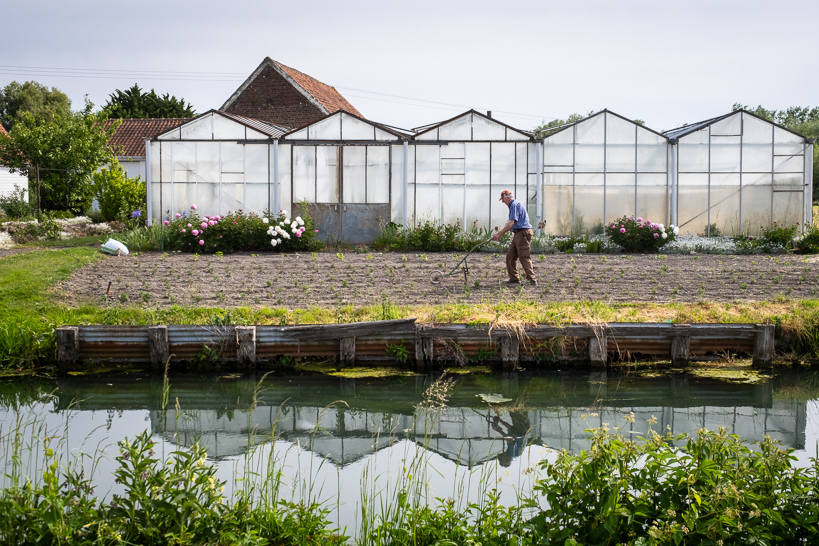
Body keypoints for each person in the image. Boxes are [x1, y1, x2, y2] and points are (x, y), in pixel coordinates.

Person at [492, 189, 537, 285]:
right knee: (510, 256)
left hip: (523, 233)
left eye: (503, 199)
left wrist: (499, 234)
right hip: (518, 233)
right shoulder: (514, 205)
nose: (503, 202)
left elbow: (511, 223)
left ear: (508, 198)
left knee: (524, 257)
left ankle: (532, 279)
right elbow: (511, 223)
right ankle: (514, 279)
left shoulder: (514, 205)